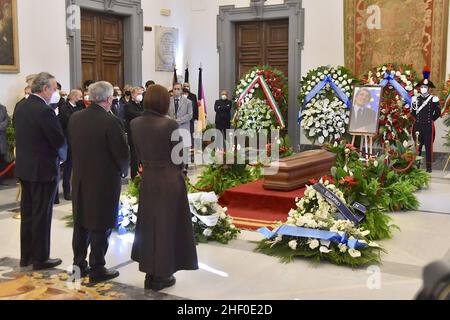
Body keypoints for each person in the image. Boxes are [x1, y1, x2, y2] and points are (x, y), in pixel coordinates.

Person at [130, 84, 198, 291]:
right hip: (169, 179)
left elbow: (138, 152)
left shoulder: (135, 123)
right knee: (167, 226)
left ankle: (150, 273)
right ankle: (162, 274)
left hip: (148, 178)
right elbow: (179, 157)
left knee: (149, 225)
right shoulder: (169, 125)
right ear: (164, 102)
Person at [68, 81, 129, 282]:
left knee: (81, 222)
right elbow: (121, 153)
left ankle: (78, 264)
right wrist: (122, 171)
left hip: (79, 179)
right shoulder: (111, 122)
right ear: (109, 99)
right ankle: (97, 267)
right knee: (101, 224)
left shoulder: (75, 118)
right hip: (104, 181)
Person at [13, 72, 65, 270]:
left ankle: (26, 256)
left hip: (25, 168)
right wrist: (64, 156)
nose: (55, 92)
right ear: (45, 89)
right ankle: (40, 258)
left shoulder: (21, 106)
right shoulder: (45, 111)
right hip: (43, 169)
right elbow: (57, 139)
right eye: (53, 88)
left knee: (28, 214)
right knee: (42, 214)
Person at [412, 68, 441, 173]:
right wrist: (418, 120)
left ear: (429, 88)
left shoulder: (434, 99)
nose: (423, 88)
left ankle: (429, 168)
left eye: (425, 87)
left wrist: (431, 120)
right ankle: (416, 166)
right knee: (417, 146)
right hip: (418, 125)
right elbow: (413, 112)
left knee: (429, 146)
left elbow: (438, 113)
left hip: (428, 126)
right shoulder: (415, 99)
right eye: (422, 87)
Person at [58, 89, 84, 200]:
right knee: (68, 168)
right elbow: (69, 121)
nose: (81, 99)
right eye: (79, 96)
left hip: (79, 140)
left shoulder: (79, 107)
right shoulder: (64, 108)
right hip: (68, 140)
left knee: (78, 167)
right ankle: (67, 191)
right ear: (73, 96)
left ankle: (78, 190)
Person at [168, 83, 193, 173]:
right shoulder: (168, 101)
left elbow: (190, 115)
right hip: (172, 129)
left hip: (184, 128)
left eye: (178, 89)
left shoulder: (188, 102)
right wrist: (172, 120)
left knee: (184, 150)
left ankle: (184, 169)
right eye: (175, 89)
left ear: (182, 90)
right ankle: (174, 169)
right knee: (174, 150)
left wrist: (179, 120)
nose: (176, 90)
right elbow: (166, 114)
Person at [124, 87, 144, 179]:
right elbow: (136, 114)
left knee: (143, 157)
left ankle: (144, 176)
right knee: (135, 157)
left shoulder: (142, 104)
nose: (140, 95)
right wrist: (145, 113)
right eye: (137, 93)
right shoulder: (128, 105)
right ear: (132, 95)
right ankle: (134, 178)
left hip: (143, 134)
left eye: (141, 93)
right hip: (134, 135)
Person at [0, 103, 10, 175]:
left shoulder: (3, 108)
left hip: (2, 139)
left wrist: (0, 126)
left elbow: (7, 121)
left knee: (2, 159)